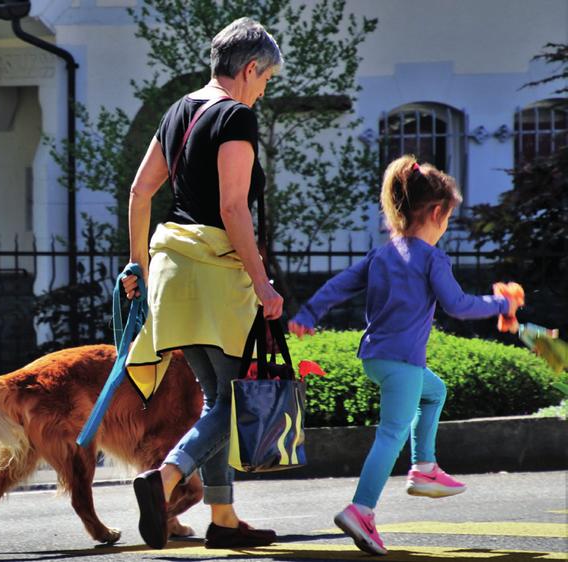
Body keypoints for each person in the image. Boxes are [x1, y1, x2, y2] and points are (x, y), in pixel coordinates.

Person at [288, 156, 518, 555]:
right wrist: (500, 304)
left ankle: (424, 467)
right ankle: (361, 509)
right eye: (448, 218)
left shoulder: (382, 254)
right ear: (436, 213)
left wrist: (309, 313)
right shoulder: (432, 258)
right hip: (403, 363)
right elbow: (458, 305)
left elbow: (340, 283)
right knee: (391, 434)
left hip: (375, 359)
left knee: (435, 391)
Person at [118, 17, 284, 550]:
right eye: (266, 79)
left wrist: (137, 267)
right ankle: (163, 480)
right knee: (235, 403)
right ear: (250, 67)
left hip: (171, 271)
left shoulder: (178, 111)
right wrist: (263, 284)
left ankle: (225, 521)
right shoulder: (235, 117)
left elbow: (141, 193)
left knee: (217, 399)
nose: (263, 90)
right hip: (215, 270)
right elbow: (234, 207)